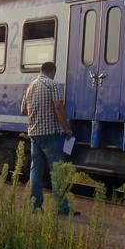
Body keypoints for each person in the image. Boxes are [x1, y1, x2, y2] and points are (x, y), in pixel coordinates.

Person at [21, 61, 76, 215]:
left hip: (34, 133)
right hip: (50, 134)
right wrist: (66, 128)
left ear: (41, 70)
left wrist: (37, 113)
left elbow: (23, 110)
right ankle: (61, 207)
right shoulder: (53, 85)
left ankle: (35, 205)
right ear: (52, 71)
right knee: (57, 169)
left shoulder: (30, 86)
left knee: (36, 169)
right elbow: (58, 106)